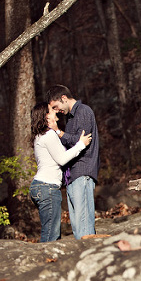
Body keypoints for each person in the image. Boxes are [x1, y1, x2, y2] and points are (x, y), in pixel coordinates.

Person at [29, 101, 92, 242]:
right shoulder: (48, 135)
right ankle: (45, 257)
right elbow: (62, 159)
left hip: (40, 187)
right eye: (52, 110)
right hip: (47, 187)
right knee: (51, 235)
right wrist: (81, 144)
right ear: (46, 116)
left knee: (49, 231)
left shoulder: (39, 136)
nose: (56, 111)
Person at [46, 85, 100, 239]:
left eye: (55, 106)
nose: (56, 111)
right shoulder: (70, 117)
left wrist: (58, 131)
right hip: (72, 175)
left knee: (84, 223)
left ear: (64, 98)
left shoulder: (83, 111)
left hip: (83, 171)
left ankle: (90, 251)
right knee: (77, 224)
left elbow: (81, 141)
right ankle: (83, 250)